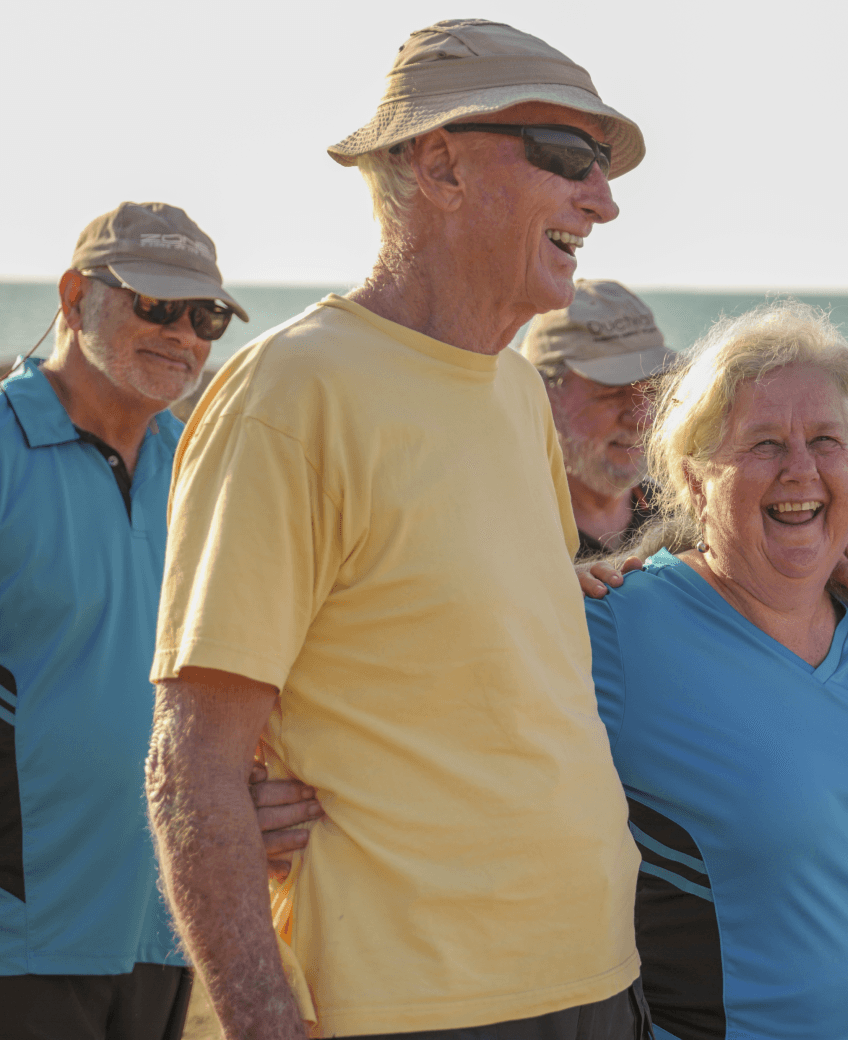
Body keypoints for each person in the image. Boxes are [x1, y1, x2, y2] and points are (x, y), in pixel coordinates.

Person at [145, 20, 652, 1040]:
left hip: (597, 974)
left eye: (603, 169)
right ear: (440, 164)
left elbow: (487, 643)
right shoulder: (293, 392)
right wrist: (259, 1017)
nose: (602, 198)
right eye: (569, 158)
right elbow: (193, 762)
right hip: (410, 1000)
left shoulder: (515, 390)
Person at [587, 301, 848, 1039]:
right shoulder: (624, 625)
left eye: (826, 441)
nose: (801, 470)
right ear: (691, 482)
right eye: (762, 444)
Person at [0, 202, 246, 1040]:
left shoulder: (204, 468)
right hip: (19, 936)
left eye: (205, 314)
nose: (183, 333)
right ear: (73, 299)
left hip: (166, 927)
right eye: (154, 304)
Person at [519, 279, 675, 558]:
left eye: (653, 388)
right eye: (611, 392)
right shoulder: (507, 533)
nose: (642, 416)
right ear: (540, 394)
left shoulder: (683, 520)